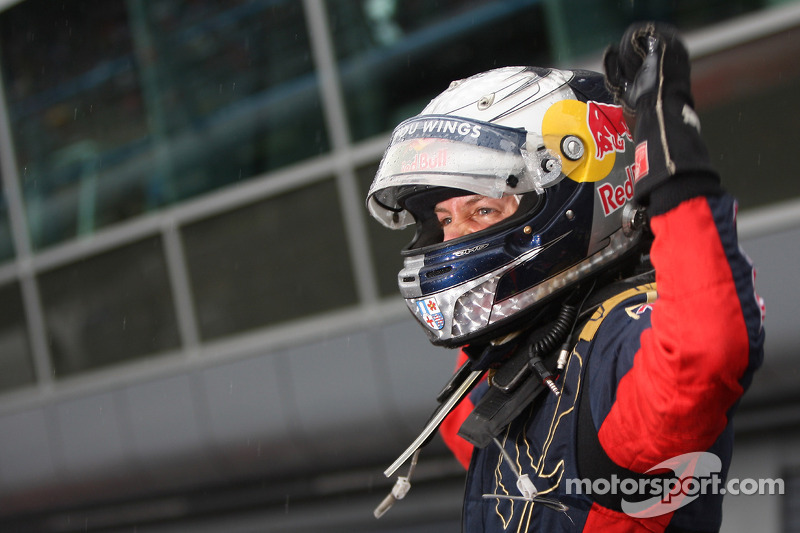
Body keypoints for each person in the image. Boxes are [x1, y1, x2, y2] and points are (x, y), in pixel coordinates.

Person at [366, 22, 764, 532]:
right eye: (444, 220)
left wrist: (670, 159)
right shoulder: (517, 358)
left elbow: (708, 350)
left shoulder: (616, 346)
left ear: (570, 202)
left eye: (481, 211)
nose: (453, 239)